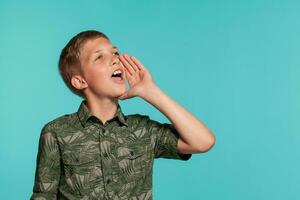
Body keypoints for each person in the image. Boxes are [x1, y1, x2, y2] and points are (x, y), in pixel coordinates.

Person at [30, 30, 216, 200]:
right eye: (99, 57)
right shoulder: (56, 132)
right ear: (80, 81)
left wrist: (151, 92)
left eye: (115, 53)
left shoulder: (143, 129)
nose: (115, 59)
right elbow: (43, 196)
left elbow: (202, 142)